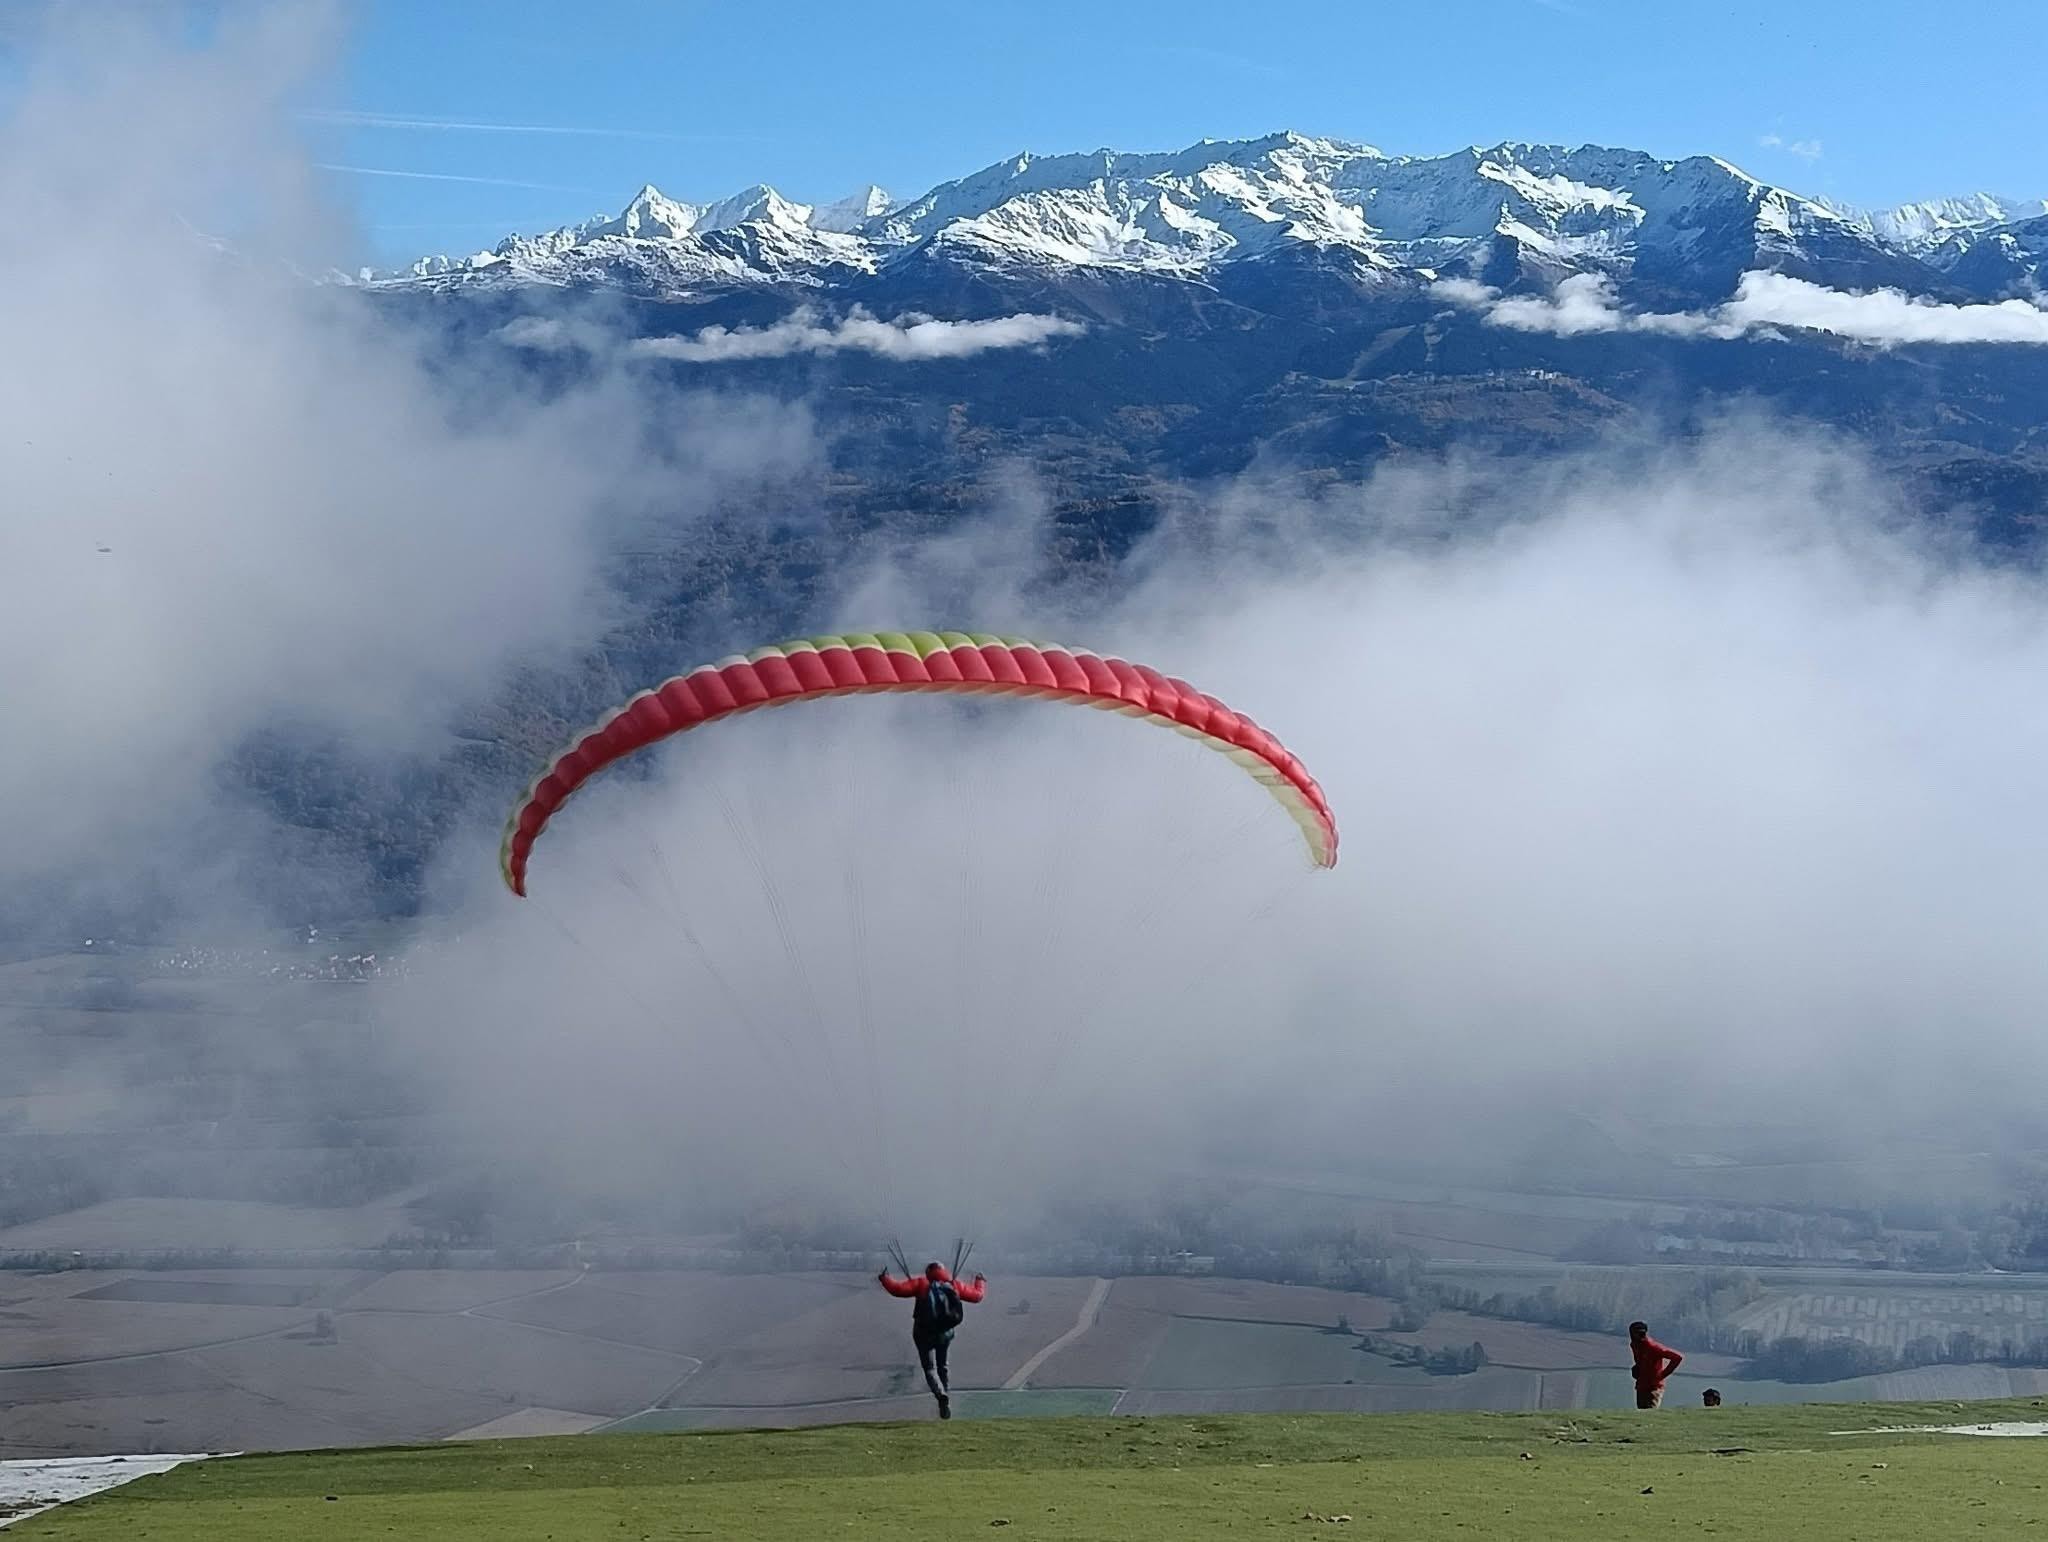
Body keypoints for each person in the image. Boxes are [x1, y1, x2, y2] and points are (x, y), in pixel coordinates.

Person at [879, 1261, 987, 1418]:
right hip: (945, 1334)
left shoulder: (921, 1284)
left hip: (923, 1334)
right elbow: (977, 1296)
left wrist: (885, 1278)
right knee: (943, 1366)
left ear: (928, 1272)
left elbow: (897, 1290)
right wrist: (980, 1280)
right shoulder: (953, 1285)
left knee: (930, 1368)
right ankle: (946, 1398)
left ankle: (940, 1394)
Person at [1628, 1320, 1683, 1409]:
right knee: (1641, 1413)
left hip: (1654, 1387)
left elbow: (1677, 1357)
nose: (1639, 1335)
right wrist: (1637, 1367)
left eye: (1641, 1332)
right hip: (1641, 1385)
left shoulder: (1653, 1347)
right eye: (1636, 1332)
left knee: (1650, 1412)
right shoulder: (1634, 1345)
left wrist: (1662, 1375)